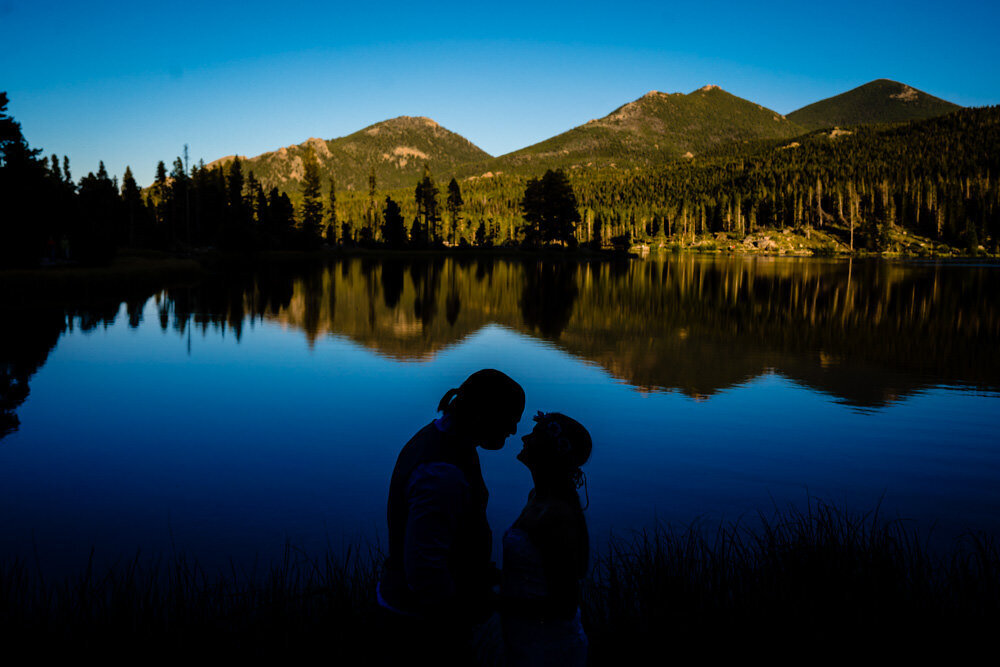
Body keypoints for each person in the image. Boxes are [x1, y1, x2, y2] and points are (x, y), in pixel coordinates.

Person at [378, 369, 526, 663]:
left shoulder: (442, 439)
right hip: (421, 624)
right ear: (482, 414)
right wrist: (456, 622)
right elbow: (425, 569)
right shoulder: (441, 474)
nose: (513, 430)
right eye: (510, 418)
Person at [501, 411, 592, 667]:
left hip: (548, 649)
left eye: (536, 435)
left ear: (552, 450)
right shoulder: (537, 496)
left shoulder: (557, 514)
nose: (524, 438)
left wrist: (498, 603)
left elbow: (564, 605)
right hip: (522, 639)